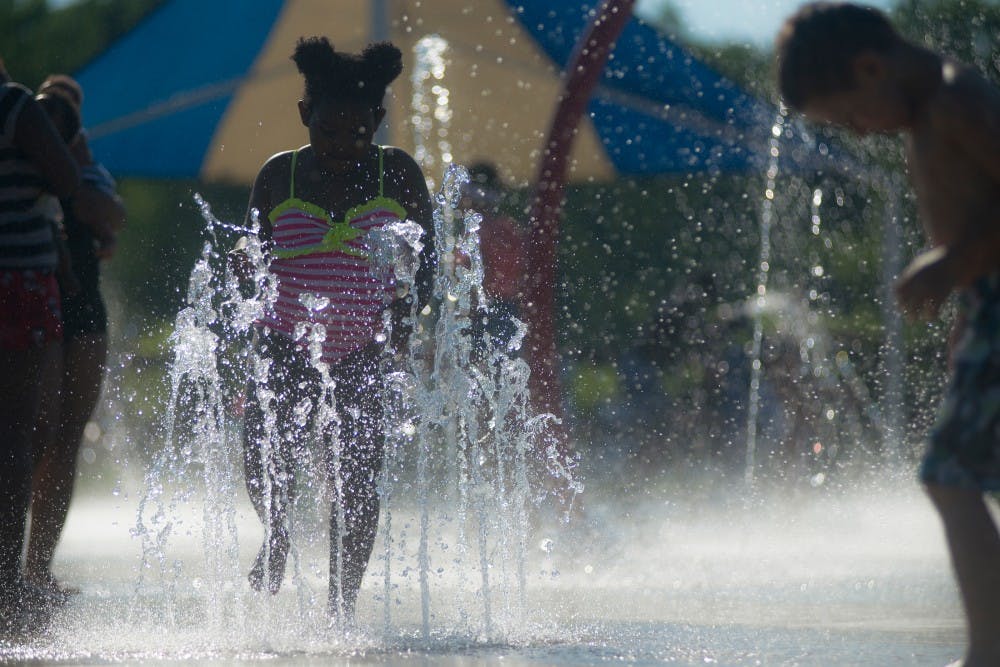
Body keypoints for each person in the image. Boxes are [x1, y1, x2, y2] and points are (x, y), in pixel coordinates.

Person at [776, 4, 1000, 664]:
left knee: (949, 475)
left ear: (870, 67)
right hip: (988, 306)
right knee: (953, 474)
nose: (859, 131)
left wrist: (954, 264)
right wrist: (966, 307)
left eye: (849, 115)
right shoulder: (932, 111)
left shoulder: (956, 102)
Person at [234, 37, 435, 620]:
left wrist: (404, 312)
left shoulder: (396, 173)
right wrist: (241, 279)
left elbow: (426, 260)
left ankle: (340, 605)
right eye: (329, 132)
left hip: (360, 348)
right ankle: (276, 536)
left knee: (357, 479)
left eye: (357, 133)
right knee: (264, 457)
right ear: (305, 117)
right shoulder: (280, 175)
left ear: (377, 120)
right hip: (283, 340)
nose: (344, 146)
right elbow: (253, 259)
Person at [27, 76, 126, 600]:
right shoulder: (23, 160)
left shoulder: (89, 169)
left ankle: (38, 569)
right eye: (51, 113)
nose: (58, 123)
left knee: (67, 438)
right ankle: (15, 566)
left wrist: (77, 167)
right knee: (33, 434)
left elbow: (110, 219)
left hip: (83, 307)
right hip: (33, 302)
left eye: (69, 114)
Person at [0, 58, 80, 634]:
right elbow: (69, 182)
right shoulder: (13, 107)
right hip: (17, 284)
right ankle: (7, 586)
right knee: (19, 436)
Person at [459, 161, 526, 361]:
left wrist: (468, 311)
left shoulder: (478, 231)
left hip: (483, 310)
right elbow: (520, 271)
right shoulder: (510, 229)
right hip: (508, 308)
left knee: (477, 370)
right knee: (503, 369)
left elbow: (476, 275)